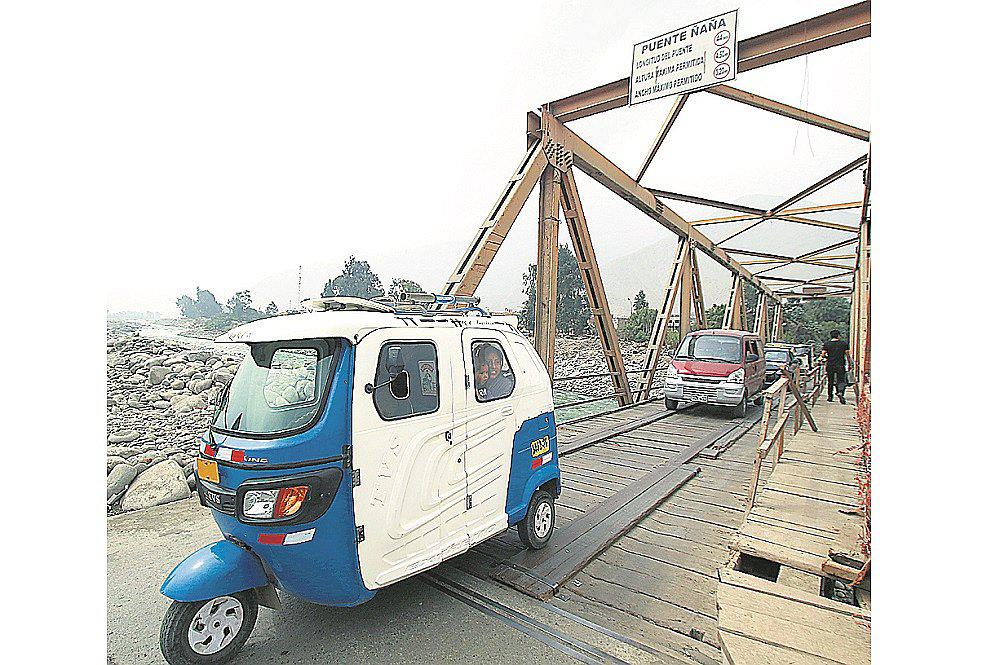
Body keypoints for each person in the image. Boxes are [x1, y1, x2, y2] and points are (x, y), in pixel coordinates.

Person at [821, 330, 852, 404]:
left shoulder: (827, 344)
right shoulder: (843, 344)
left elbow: (823, 354)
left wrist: (827, 357)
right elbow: (847, 355)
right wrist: (850, 364)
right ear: (838, 335)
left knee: (830, 381)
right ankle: (840, 392)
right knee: (841, 380)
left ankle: (830, 396)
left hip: (830, 365)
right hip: (840, 365)